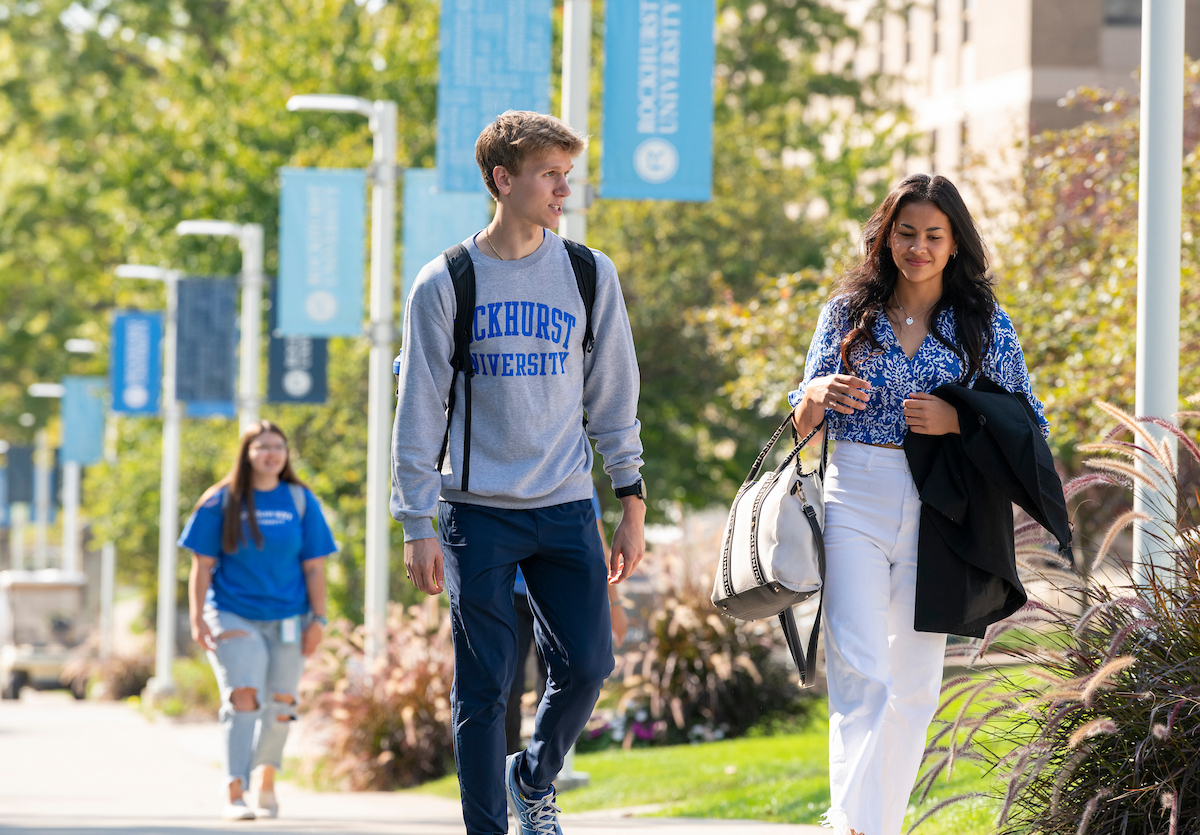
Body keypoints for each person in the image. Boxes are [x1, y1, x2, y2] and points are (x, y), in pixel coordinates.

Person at [392, 110, 645, 835]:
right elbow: (418, 412)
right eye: (550, 175)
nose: (565, 188)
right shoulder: (446, 282)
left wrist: (630, 499)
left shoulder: (589, 273)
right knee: (484, 684)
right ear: (504, 180)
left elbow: (614, 397)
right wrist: (416, 521)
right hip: (476, 513)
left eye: (568, 173)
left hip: (566, 504)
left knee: (590, 662)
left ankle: (532, 776)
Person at [788, 174, 1049, 835]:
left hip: (941, 506)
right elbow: (800, 422)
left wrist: (957, 419)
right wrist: (816, 390)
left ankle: (870, 821)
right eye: (906, 233)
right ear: (886, 236)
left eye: (934, 235)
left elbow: (1029, 423)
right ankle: (854, 823)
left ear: (955, 242)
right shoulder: (848, 314)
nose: (919, 247)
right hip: (855, 493)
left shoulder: (983, 324)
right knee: (860, 670)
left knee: (915, 688)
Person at [179, 420, 337, 821]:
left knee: (281, 703)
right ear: (246, 453)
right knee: (244, 695)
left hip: (289, 617)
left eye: (278, 447)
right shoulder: (220, 501)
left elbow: (315, 568)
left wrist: (318, 619)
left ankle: (266, 778)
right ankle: (235, 789)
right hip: (233, 612)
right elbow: (202, 565)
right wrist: (197, 618)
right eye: (262, 446)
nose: (271, 453)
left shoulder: (300, 501)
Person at [505, 488, 628, 755]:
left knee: (555, 682)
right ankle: (506, 766)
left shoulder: (574, 476)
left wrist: (615, 605)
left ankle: (535, 773)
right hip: (510, 597)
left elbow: (597, 546)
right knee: (508, 688)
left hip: (553, 595)